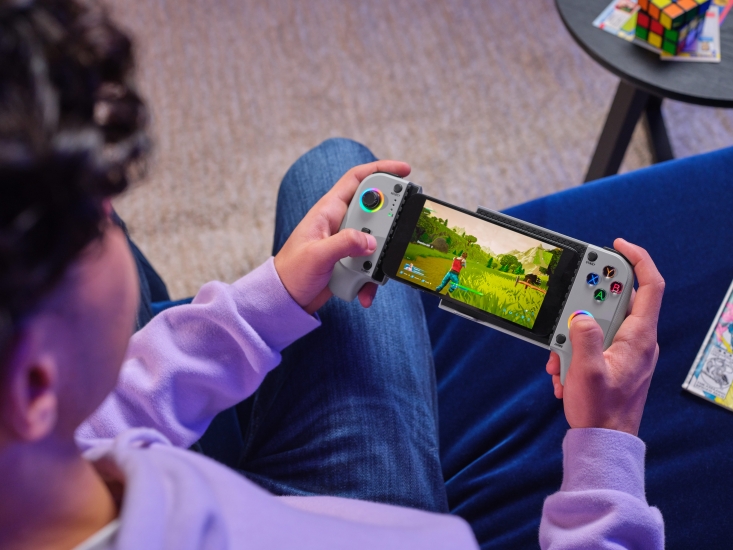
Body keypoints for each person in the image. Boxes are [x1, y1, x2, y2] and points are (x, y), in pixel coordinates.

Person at [0, 1, 666, 548]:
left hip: (196, 482)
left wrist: (264, 302)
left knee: (338, 178)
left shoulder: (35, 455)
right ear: (34, 385)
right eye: (98, 225)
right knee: (339, 171)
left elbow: (106, 417)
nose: (114, 216)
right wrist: (605, 445)